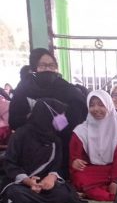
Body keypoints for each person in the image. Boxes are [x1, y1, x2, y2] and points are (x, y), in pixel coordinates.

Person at [9, 48, 87, 177]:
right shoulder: (24, 88)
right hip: (30, 144)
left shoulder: (65, 88)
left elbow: (74, 117)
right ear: (34, 67)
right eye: (43, 65)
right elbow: (14, 120)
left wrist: (56, 123)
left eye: (51, 65)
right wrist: (35, 118)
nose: (48, 69)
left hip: (59, 142)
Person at [0, 98, 85, 203]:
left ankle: (32, 201)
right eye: (61, 115)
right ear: (48, 115)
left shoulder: (55, 140)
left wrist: (52, 178)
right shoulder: (20, 135)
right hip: (20, 182)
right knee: (17, 194)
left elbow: (57, 166)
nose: (63, 119)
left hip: (45, 183)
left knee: (66, 193)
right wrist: (28, 181)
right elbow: (10, 163)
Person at [70, 90, 117, 201]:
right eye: (92, 105)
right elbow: (75, 158)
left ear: (109, 106)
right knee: (79, 177)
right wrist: (75, 161)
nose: (96, 109)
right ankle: (110, 195)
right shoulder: (80, 131)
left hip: (114, 170)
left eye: (101, 104)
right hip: (93, 171)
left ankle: (93, 191)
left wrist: (115, 181)